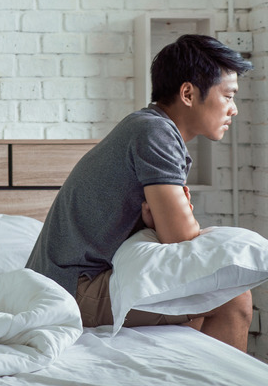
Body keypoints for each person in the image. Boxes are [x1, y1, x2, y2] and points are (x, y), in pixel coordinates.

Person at [25, 34, 255, 351]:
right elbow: (181, 238)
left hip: (60, 283)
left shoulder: (147, 127)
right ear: (188, 93)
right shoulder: (156, 132)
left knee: (196, 311)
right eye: (228, 96)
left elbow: (172, 234)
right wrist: (167, 224)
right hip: (68, 291)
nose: (234, 110)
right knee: (231, 295)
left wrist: (157, 223)